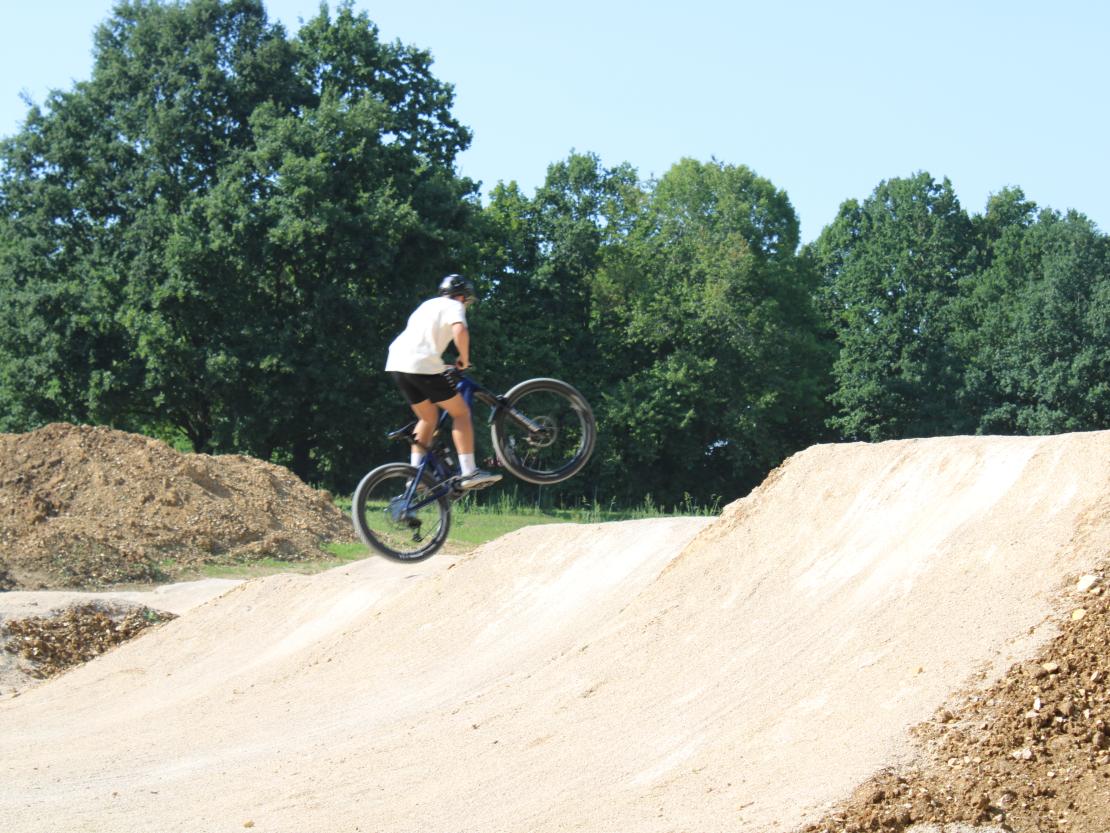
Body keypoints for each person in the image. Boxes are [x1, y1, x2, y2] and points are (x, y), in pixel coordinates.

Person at [385, 275, 502, 489]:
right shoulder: (453, 305)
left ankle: (414, 476)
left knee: (428, 418)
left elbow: (421, 340)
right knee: (461, 413)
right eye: (467, 300)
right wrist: (463, 359)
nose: (466, 305)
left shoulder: (427, 306)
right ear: (460, 296)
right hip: (421, 364)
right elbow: (460, 330)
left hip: (397, 363)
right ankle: (469, 472)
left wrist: (442, 365)